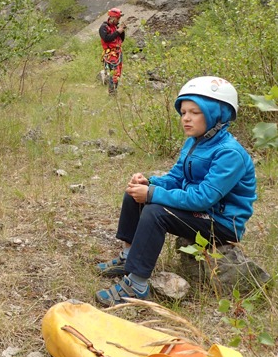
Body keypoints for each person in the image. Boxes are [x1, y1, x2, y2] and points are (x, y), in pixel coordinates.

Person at [94, 76, 256, 307]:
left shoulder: (230, 154)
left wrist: (152, 194)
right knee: (136, 193)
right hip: (201, 214)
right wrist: (150, 183)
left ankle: (137, 285)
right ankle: (128, 257)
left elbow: (203, 198)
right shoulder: (194, 142)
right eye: (183, 112)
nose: (186, 118)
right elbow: (176, 178)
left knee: (156, 211)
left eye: (195, 112)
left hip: (220, 223)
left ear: (216, 114)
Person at [99, 8, 126, 95]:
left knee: (118, 74)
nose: (118, 20)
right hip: (110, 54)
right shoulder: (103, 27)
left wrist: (122, 31)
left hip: (118, 53)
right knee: (114, 73)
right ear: (113, 18)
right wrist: (118, 32)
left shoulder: (115, 27)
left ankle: (114, 91)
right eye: (118, 18)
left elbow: (121, 40)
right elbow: (106, 39)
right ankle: (112, 93)